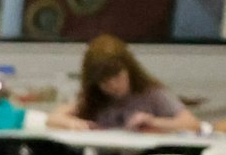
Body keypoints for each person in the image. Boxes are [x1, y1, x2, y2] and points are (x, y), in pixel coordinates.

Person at [49, 35, 200, 133]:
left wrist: (154, 122)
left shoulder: (151, 94)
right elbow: (53, 118)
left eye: (117, 77)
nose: (113, 85)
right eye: (105, 82)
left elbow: (192, 124)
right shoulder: (96, 98)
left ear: (129, 69)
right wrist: (71, 123)